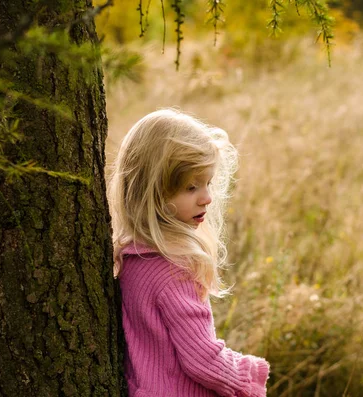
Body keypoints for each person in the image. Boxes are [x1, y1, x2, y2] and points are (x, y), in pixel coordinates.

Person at [108, 108, 270, 397]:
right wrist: (248, 377)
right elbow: (203, 360)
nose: (207, 197)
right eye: (191, 187)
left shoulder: (131, 257)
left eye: (207, 183)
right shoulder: (175, 268)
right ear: (153, 192)